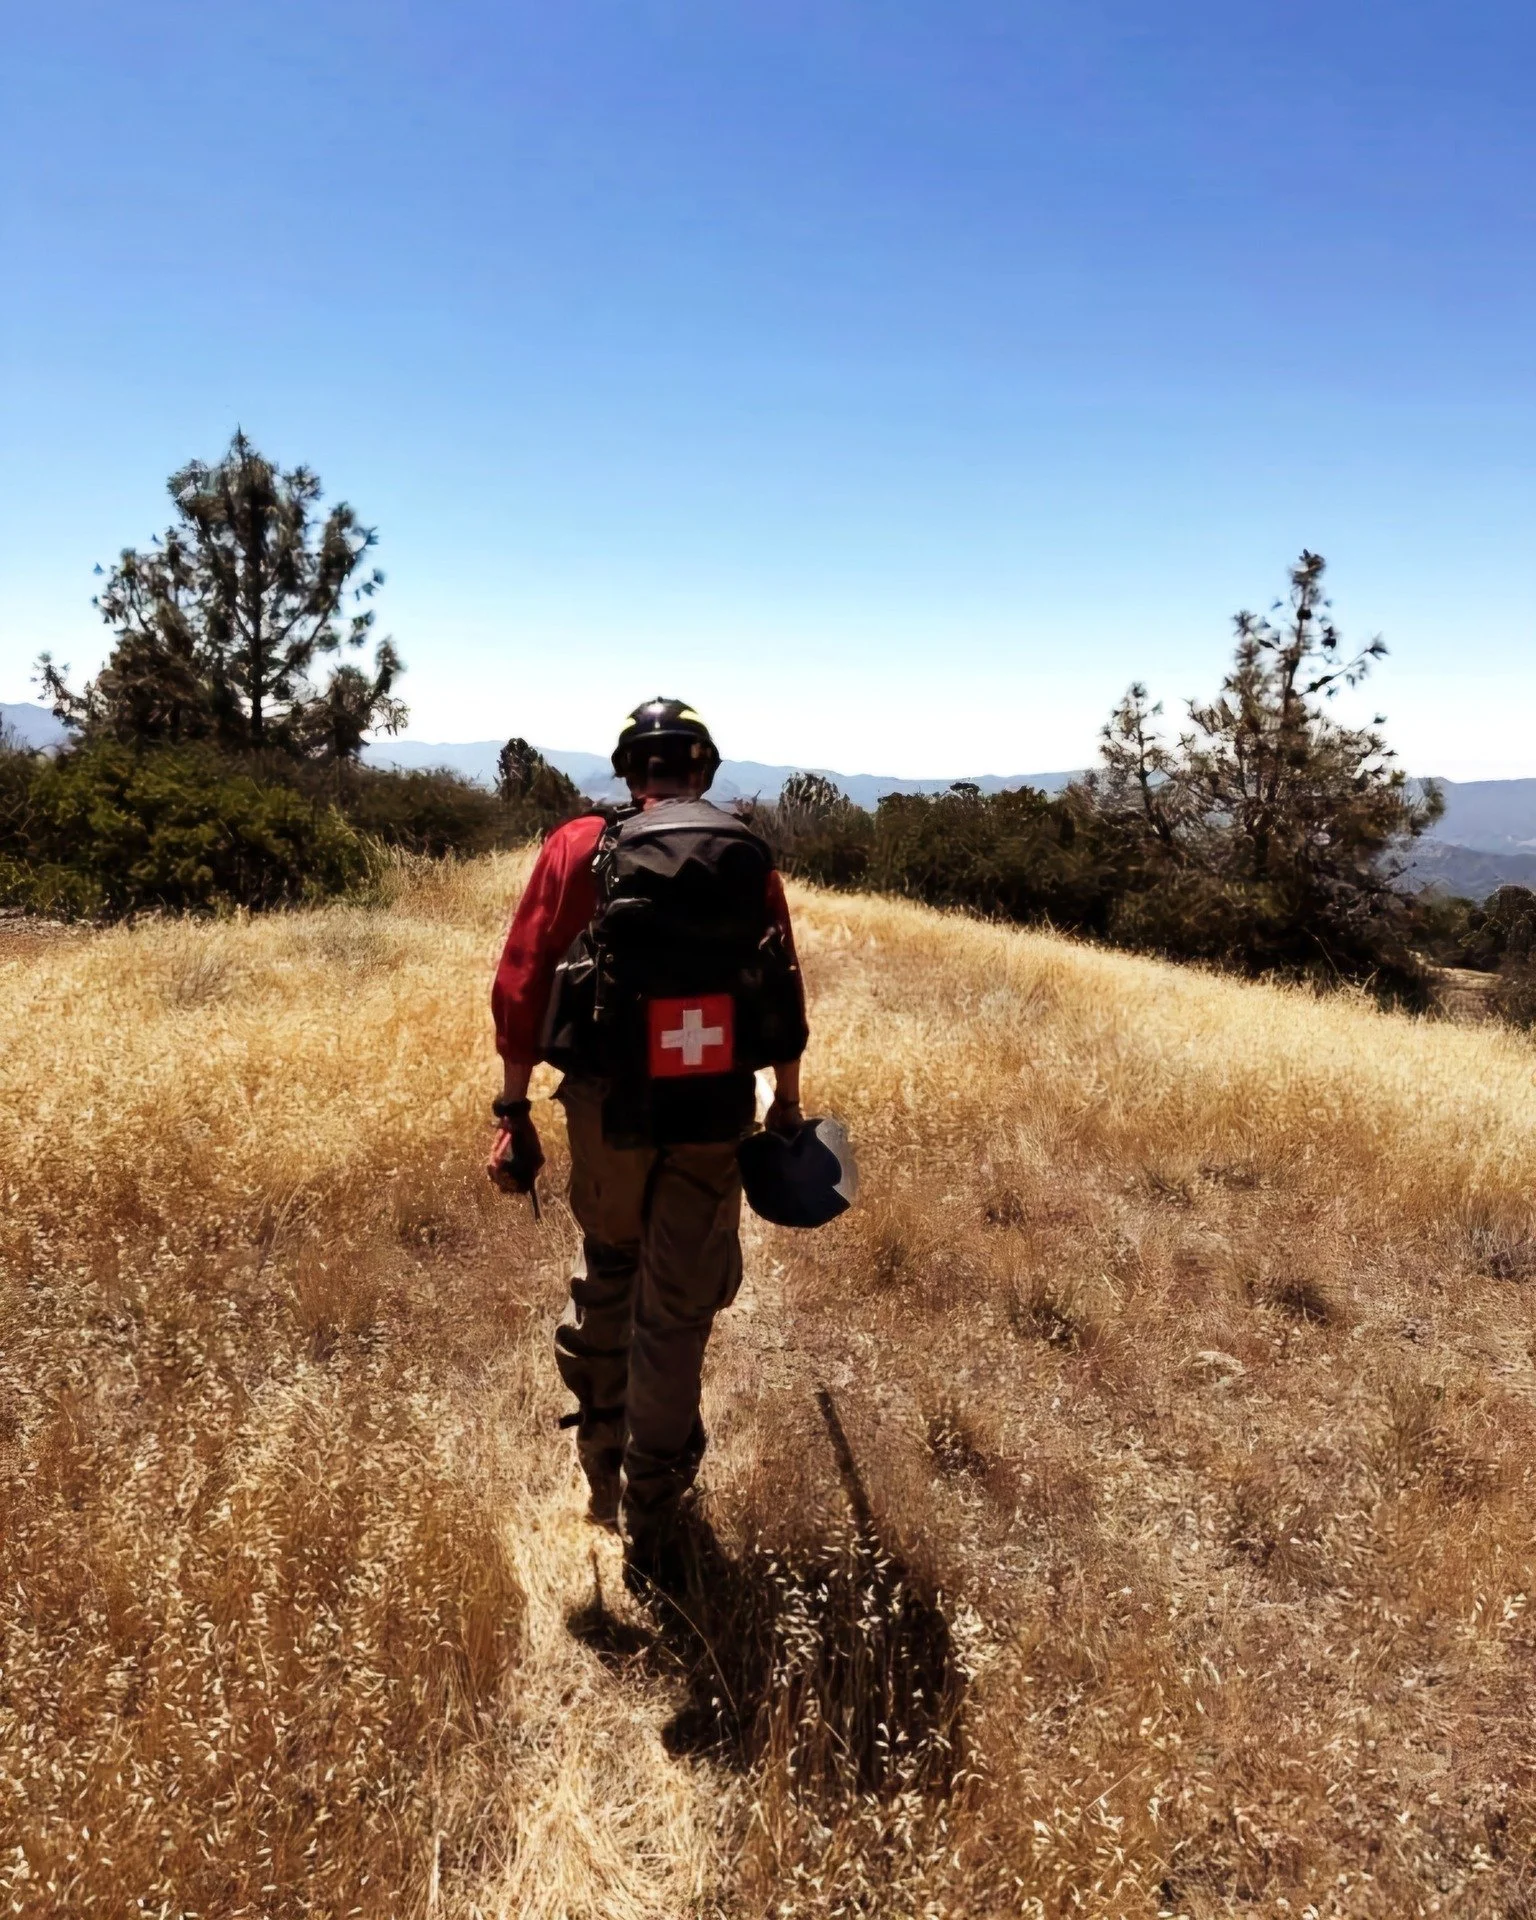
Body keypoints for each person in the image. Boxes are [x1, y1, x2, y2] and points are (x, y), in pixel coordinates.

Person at [487, 699, 808, 1591]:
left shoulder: (578, 847)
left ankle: (600, 1471)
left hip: (609, 1105)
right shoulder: (742, 852)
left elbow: (521, 983)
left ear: (631, 772)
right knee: (676, 1311)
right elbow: (779, 985)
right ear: (702, 772)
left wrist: (513, 1110)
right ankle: (655, 1516)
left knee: (611, 1267)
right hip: (711, 1106)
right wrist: (785, 1102)